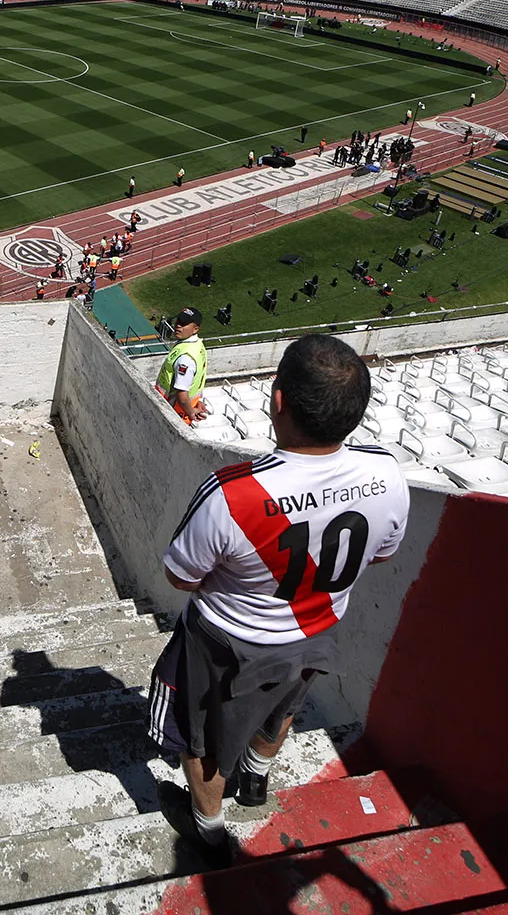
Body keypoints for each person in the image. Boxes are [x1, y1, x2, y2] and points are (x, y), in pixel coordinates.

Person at [147, 334, 408, 858]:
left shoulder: (232, 491)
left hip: (230, 642)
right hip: (319, 628)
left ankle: (210, 830)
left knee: (202, 739)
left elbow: (180, 575)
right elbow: (380, 554)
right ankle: (256, 779)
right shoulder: (386, 471)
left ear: (278, 399)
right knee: (285, 704)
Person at [156, 307, 208, 424]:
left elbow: (182, 396)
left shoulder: (185, 359)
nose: (178, 325)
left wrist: (191, 411)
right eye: (178, 321)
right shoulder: (197, 346)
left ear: (195, 329)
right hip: (179, 412)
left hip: (173, 414)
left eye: (184, 324)